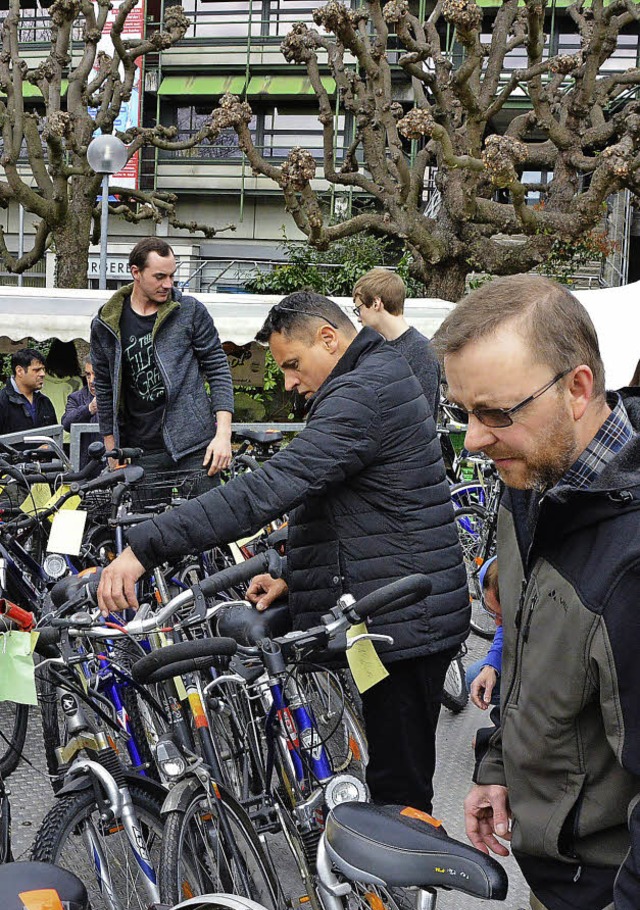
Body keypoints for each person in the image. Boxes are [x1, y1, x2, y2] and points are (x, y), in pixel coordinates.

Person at [97, 289, 470, 816]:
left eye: (293, 365)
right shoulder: (372, 377)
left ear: (329, 337)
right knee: (395, 782)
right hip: (396, 606)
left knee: (402, 797)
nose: (291, 383)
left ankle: (414, 891)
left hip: (402, 619)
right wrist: (292, 574)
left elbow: (270, 488)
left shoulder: (365, 391)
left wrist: (144, 547)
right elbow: (359, 508)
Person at [435, 273, 640, 910]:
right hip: (558, 875)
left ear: (579, 386)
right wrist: (494, 763)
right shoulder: (536, 482)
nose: (475, 440)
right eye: (463, 413)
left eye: (495, 413)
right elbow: (523, 645)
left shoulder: (630, 560)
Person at [90, 236, 234, 479]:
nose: (169, 284)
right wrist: (111, 445)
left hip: (196, 446)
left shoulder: (189, 311)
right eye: (160, 276)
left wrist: (223, 435)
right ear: (136, 272)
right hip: (139, 449)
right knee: (141, 519)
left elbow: (218, 369)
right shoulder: (106, 322)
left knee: (207, 517)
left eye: (172, 276)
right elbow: (104, 388)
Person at [352, 267, 441, 419]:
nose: (358, 317)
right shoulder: (377, 349)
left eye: (358, 309)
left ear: (376, 303)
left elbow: (422, 418)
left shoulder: (420, 352)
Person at [466, 557, 502, 767]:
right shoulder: (489, 572)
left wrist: (495, 736)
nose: (496, 622)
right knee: (476, 675)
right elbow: (505, 628)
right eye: (492, 613)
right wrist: (492, 665)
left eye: (501, 614)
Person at [0, 348, 56, 435]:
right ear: (19, 371)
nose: (42, 374)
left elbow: (54, 435)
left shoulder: (45, 402)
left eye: (43, 369)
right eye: (36, 370)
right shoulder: (3, 402)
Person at [41, 339, 83, 425]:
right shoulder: (76, 382)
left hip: (45, 429)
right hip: (68, 430)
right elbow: (81, 409)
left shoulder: (40, 379)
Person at [62, 360, 99, 430]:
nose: (91, 380)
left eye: (96, 375)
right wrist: (89, 409)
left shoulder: (118, 397)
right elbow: (66, 424)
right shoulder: (76, 398)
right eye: (88, 374)